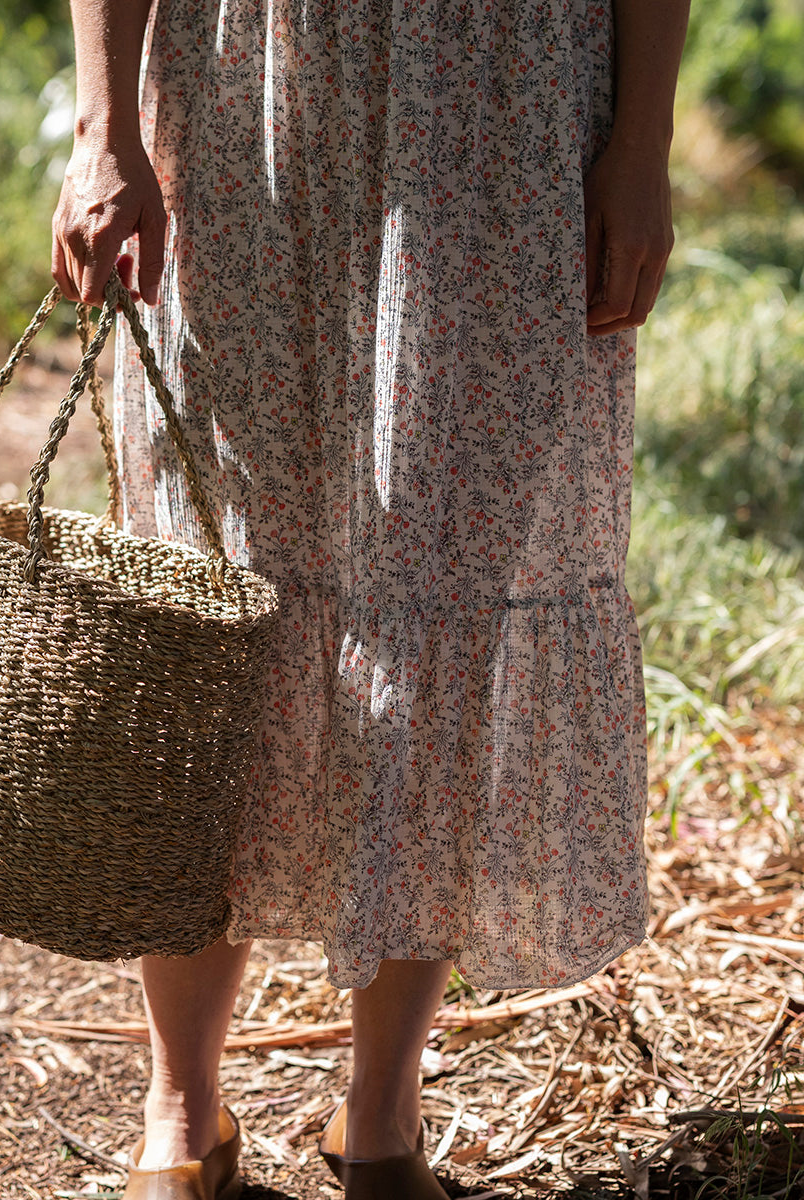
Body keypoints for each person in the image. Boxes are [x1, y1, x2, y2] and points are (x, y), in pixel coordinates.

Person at [52, 1, 691, 1197]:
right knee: (214, 593)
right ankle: (182, 1119)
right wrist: (105, 126)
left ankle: (382, 1116)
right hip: (244, 85)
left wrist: (641, 142)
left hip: (503, 103)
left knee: (447, 573)